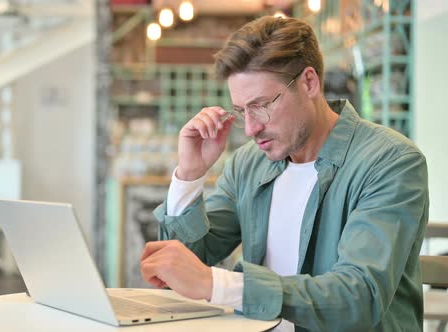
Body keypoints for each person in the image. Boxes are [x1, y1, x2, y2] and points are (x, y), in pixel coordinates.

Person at [139, 16, 428, 332]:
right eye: (242, 111)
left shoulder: (390, 161)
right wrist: (190, 176)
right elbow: (190, 263)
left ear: (309, 82)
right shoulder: (248, 163)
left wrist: (218, 285)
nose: (250, 128)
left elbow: (359, 296)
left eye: (261, 105)